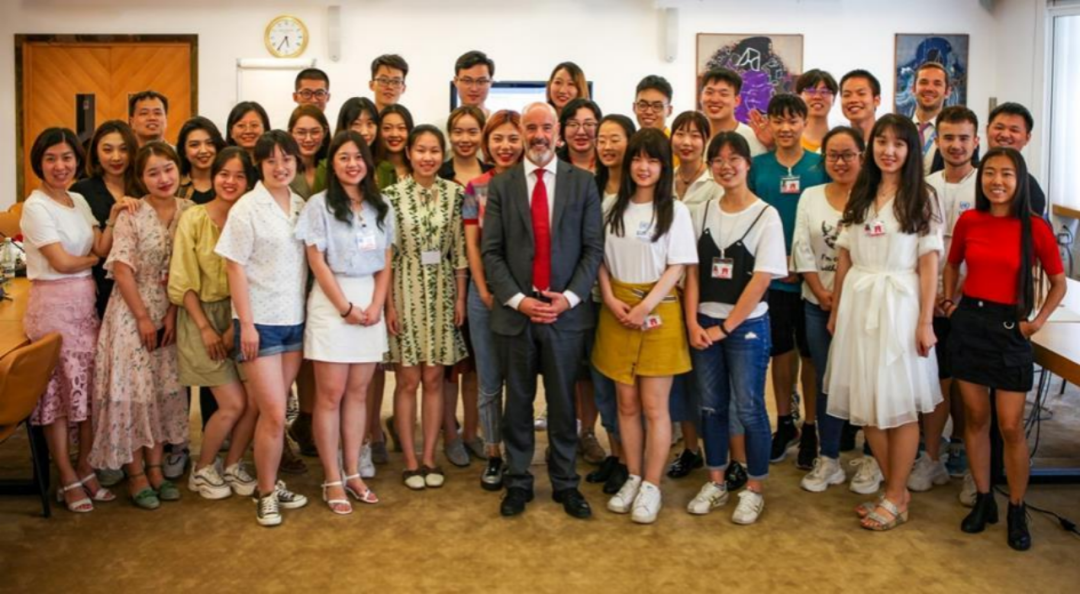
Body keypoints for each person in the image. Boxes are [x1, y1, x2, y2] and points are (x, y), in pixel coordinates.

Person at [944, 147, 1066, 552]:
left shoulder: (1036, 228)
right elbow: (952, 263)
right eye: (990, 173)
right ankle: (984, 499)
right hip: (970, 325)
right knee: (976, 419)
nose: (997, 181)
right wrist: (948, 302)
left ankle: (1016, 507)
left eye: (1007, 174)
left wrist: (1037, 322)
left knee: (1010, 426)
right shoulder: (969, 220)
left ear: (1020, 180)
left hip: (1011, 328)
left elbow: (1058, 282)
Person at [825, 114, 944, 531]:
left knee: (900, 405)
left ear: (911, 150)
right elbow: (844, 255)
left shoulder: (922, 196)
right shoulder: (861, 191)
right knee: (868, 406)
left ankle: (894, 494)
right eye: (881, 142)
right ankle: (896, 491)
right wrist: (837, 309)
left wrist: (925, 321)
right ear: (871, 146)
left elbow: (929, 263)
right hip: (859, 305)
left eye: (899, 143)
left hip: (901, 307)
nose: (888, 151)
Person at [19, 128, 136, 512]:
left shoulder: (79, 200)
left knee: (87, 392)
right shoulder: (35, 207)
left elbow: (100, 245)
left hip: (85, 306)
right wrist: (92, 260)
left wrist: (114, 217)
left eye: (67, 157)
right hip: (53, 309)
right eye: (51, 158)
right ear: (39, 162)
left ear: (76, 161)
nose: (60, 165)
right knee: (58, 397)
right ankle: (66, 475)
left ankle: (86, 468)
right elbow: (61, 262)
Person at [592, 128, 696, 524]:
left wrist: (645, 306)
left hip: (658, 312)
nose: (644, 167)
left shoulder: (675, 210)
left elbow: (678, 266)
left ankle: (652, 485)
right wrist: (611, 299)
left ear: (664, 166)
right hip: (617, 311)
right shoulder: (611, 206)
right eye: (638, 158)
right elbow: (599, 260)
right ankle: (633, 476)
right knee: (626, 404)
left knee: (655, 406)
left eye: (653, 160)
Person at [684, 132, 787, 525]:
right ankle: (716, 481)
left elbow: (761, 280)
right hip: (703, 324)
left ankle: (754, 488)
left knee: (749, 407)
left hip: (747, 327)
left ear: (748, 164)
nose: (726, 166)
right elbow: (692, 272)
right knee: (711, 406)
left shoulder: (766, 215)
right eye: (718, 160)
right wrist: (693, 322)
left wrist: (725, 328)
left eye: (734, 158)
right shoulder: (700, 212)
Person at [215, 130, 310, 527]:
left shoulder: (301, 205)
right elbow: (234, 267)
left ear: (296, 162)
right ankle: (266, 493)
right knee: (273, 412)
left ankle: (267, 483)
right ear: (260, 165)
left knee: (277, 411)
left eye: (286, 159)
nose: (280, 166)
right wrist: (247, 325)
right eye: (271, 160)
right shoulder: (247, 208)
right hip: (260, 325)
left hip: (294, 322)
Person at [89, 142, 191, 510]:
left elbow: (187, 269)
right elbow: (121, 269)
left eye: (168, 169)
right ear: (141, 178)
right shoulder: (132, 212)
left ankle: (156, 469)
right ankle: (135, 475)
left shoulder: (189, 211)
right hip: (131, 313)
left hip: (171, 311)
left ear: (178, 169)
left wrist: (172, 313)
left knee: (163, 390)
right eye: (153, 172)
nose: (163, 178)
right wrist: (144, 318)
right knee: (133, 394)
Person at [296, 130, 394, 513]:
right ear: (332, 164)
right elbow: (316, 261)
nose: (352, 164)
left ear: (367, 162)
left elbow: (386, 260)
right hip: (332, 303)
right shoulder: (318, 206)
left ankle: (353, 471)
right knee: (330, 395)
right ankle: (332, 477)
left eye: (358, 157)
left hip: (369, 302)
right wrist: (344, 307)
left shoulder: (381, 205)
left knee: (358, 393)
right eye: (343, 157)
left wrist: (377, 304)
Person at [169, 147, 260, 500]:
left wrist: (236, 325)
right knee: (233, 403)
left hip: (244, 316)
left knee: (255, 402)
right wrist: (208, 329)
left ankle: (233, 463)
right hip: (200, 316)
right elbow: (183, 280)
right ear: (213, 176)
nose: (230, 181)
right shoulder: (194, 218)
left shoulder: (251, 218)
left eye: (239, 176)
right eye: (224, 174)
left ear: (249, 182)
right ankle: (203, 468)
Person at [385, 125, 468, 490]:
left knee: (434, 379)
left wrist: (461, 298)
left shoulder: (455, 194)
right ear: (409, 153)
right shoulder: (391, 196)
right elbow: (385, 256)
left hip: (443, 292)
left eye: (434, 150)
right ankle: (410, 460)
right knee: (408, 380)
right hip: (403, 289)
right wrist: (388, 306)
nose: (428, 157)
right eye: (421, 150)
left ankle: (431, 457)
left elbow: (461, 252)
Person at [748, 94, 827, 470]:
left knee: (810, 355)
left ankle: (811, 426)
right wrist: (775, 263)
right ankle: (784, 422)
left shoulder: (819, 166)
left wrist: (804, 264)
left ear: (804, 123)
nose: (785, 128)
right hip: (773, 279)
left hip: (813, 280)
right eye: (777, 120)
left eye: (792, 120)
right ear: (769, 124)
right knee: (780, 353)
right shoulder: (758, 167)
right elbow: (750, 218)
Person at [792, 126, 865, 492]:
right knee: (826, 380)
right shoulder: (810, 195)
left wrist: (846, 296)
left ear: (862, 157)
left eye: (848, 154)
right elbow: (801, 247)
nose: (840, 161)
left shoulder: (872, 198)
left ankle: (872, 458)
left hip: (864, 306)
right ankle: (829, 458)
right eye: (833, 155)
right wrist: (821, 292)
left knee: (866, 380)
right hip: (817, 303)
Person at [913, 105, 981, 495]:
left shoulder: (986, 184)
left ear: (976, 141)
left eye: (963, 138)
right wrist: (934, 296)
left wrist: (956, 293)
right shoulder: (924, 185)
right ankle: (931, 457)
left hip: (973, 301)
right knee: (935, 381)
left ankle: (971, 461)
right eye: (948, 138)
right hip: (930, 300)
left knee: (971, 386)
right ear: (936, 141)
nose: (956, 145)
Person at [462, 110, 524, 489]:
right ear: (487, 143)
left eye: (513, 138)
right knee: (488, 379)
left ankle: (518, 452)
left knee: (518, 379)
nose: (505, 146)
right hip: (483, 293)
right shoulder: (476, 188)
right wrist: (484, 289)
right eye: (497, 138)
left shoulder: (533, 183)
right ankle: (493, 453)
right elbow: (472, 244)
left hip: (522, 296)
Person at [665, 110, 720, 482]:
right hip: (669, 290)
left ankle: (720, 450)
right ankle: (689, 448)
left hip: (706, 289)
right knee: (680, 377)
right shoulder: (663, 180)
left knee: (710, 377)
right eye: (680, 133)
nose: (686, 142)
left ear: (705, 141)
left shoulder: (714, 185)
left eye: (695, 135)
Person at [586, 114, 636, 493]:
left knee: (626, 387)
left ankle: (630, 461)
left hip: (628, 300)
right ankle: (615, 454)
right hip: (592, 297)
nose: (606, 146)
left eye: (614, 139)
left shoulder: (641, 191)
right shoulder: (590, 187)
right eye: (601, 139)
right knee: (601, 382)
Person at [70, 121, 140, 320]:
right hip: (102, 285)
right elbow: (97, 249)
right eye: (107, 150)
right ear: (96, 153)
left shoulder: (144, 185)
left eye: (123, 149)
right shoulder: (82, 191)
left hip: (142, 283)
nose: (116, 157)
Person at [985, 102, 1046, 216]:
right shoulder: (970, 172)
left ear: (1027, 138)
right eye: (999, 127)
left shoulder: (1031, 190)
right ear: (987, 130)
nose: (1005, 134)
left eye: (1014, 130)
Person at [698, 68, 767, 156]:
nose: (715, 99)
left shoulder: (750, 138)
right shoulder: (696, 137)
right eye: (709, 92)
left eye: (723, 94)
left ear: (737, 101)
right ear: (701, 97)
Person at [910, 62, 951, 173]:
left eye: (937, 83)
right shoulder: (899, 129)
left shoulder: (957, 134)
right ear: (913, 89)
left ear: (947, 92)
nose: (929, 88)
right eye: (923, 82)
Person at [176, 117, 227, 204]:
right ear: (183, 151)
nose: (203, 151)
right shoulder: (175, 185)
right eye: (194, 145)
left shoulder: (228, 182)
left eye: (210, 143)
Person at [439, 105, 491, 185]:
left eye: (472, 132)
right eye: (458, 132)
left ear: (482, 134)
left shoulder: (494, 175)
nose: (465, 139)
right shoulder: (437, 174)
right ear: (449, 135)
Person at [288, 104, 331, 199]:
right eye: (301, 132)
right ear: (290, 133)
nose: (308, 139)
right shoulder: (284, 170)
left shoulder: (333, 168)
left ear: (325, 132)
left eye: (315, 132)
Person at [795, 69, 838, 153]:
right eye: (810, 91)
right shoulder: (790, 141)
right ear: (799, 97)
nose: (817, 97)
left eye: (824, 92)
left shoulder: (840, 142)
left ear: (833, 99)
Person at [557, 99, 602, 174]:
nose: (581, 132)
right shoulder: (553, 163)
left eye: (588, 124)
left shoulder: (608, 162)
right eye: (573, 124)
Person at [375, 104, 414, 190]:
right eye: (387, 128)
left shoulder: (419, 169)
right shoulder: (370, 170)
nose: (394, 134)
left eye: (401, 128)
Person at [840, 70, 881, 143]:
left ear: (876, 100)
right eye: (847, 95)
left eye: (861, 93)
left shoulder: (888, 144)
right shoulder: (837, 143)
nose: (853, 100)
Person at [453, 50, 495, 117]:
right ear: (455, 81)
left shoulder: (499, 123)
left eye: (481, 81)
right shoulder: (443, 123)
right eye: (467, 81)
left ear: (491, 82)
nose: (474, 89)